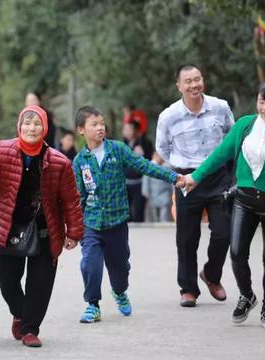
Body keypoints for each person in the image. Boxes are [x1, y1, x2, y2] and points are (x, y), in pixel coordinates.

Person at [0, 104, 83, 347]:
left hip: (46, 228)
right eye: (27, 123)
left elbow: (71, 200)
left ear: (45, 128)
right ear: (19, 126)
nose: (31, 128)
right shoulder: (1, 150)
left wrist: (75, 232)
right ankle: (20, 312)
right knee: (6, 277)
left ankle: (30, 329)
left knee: (40, 283)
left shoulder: (59, 162)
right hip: (9, 226)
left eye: (37, 123)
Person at [73, 106, 184, 323]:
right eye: (94, 124)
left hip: (117, 222)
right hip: (92, 223)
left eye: (102, 123)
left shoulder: (118, 149)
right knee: (89, 263)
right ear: (81, 130)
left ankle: (120, 292)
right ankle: (92, 304)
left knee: (120, 268)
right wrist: (73, 227)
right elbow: (78, 196)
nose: (100, 128)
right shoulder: (79, 161)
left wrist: (172, 177)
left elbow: (143, 166)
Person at [184, 81, 265, 329]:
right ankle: (247, 295)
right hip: (244, 200)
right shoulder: (245, 125)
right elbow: (220, 154)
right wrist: (195, 176)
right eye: (262, 101)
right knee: (236, 253)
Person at [156, 64, 234, 307]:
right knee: (187, 238)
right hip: (186, 180)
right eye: (188, 81)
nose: (194, 85)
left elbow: (232, 136)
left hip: (217, 177)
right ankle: (188, 288)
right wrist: (179, 170)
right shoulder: (169, 116)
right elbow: (163, 148)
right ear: (178, 86)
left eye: (197, 79)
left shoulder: (220, 107)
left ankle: (211, 275)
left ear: (203, 80)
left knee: (224, 232)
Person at [122, 120, 154, 222]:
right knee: (125, 212)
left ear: (136, 130)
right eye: (125, 129)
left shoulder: (145, 143)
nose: (126, 131)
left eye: (129, 129)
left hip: (140, 183)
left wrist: (143, 155)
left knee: (139, 210)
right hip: (125, 182)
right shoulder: (122, 144)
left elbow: (151, 162)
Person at [142, 152, 174, 222]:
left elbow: (172, 181)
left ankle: (164, 223)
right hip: (153, 194)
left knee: (164, 212)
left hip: (165, 193)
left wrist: (174, 191)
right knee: (154, 214)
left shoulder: (168, 167)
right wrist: (145, 191)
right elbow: (146, 180)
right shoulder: (150, 166)